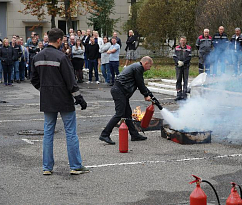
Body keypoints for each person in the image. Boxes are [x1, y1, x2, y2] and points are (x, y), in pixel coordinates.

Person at [30, 28, 89, 175]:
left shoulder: (37, 57)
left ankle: (47, 168)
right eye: (63, 40)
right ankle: (75, 166)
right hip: (64, 100)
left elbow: (34, 80)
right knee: (70, 133)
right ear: (58, 40)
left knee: (48, 133)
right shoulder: (61, 57)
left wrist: (44, 90)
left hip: (47, 100)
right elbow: (71, 81)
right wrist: (79, 98)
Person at [99, 56, 154, 145]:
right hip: (119, 91)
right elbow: (140, 83)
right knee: (119, 114)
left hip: (121, 92)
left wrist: (149, 94)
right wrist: (146, 95)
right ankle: (105, 134)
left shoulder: (136, 67)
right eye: (150, 66)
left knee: (127, 113)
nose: (149, 68)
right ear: (146, 63)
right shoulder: (138, 68)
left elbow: (140, 84)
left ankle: (134, 134)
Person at [173, 36, 192, 101]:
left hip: (186, 66)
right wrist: (178, 62)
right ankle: (179, 94)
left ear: (185, 41)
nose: (183, 42)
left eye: (184, 40)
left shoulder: (189, 48)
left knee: (185, 80)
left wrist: (184, 62)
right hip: (178, 66)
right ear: (180, 41)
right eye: (181, 40)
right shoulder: (177, 48)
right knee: (178, 80)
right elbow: (174, 56)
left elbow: (189, 57)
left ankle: (184, 95)